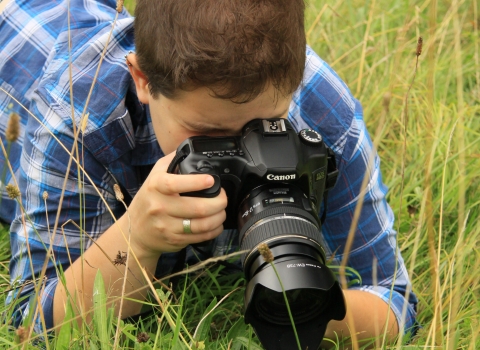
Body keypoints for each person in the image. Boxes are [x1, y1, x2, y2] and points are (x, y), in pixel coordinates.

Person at [0, 0, 417, 347]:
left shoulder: (321, 115)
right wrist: (136, 239)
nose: (246, 154)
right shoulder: (78, 116)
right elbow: (32, 321)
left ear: (292, 86)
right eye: (211, 136)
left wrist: (308, 307)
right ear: (143, 81)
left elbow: (395, 299)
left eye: (267, 127)